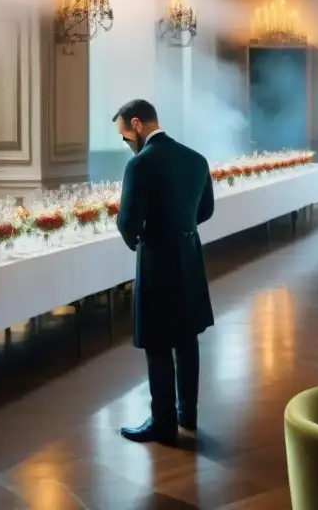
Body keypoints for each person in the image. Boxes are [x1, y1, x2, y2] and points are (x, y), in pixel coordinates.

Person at [112, 99, 215, 445]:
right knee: (187, 338)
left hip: (157, 258)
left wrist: (139, 238)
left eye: (125, 136)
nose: (127, 144)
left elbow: (127, 222)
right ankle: (188, 414)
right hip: (189, 255)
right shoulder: (196, 159)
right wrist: (180, 228)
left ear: (138, 124)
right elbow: (207, 210)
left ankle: (163, 422)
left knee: (157, 342)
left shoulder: (141, 164)